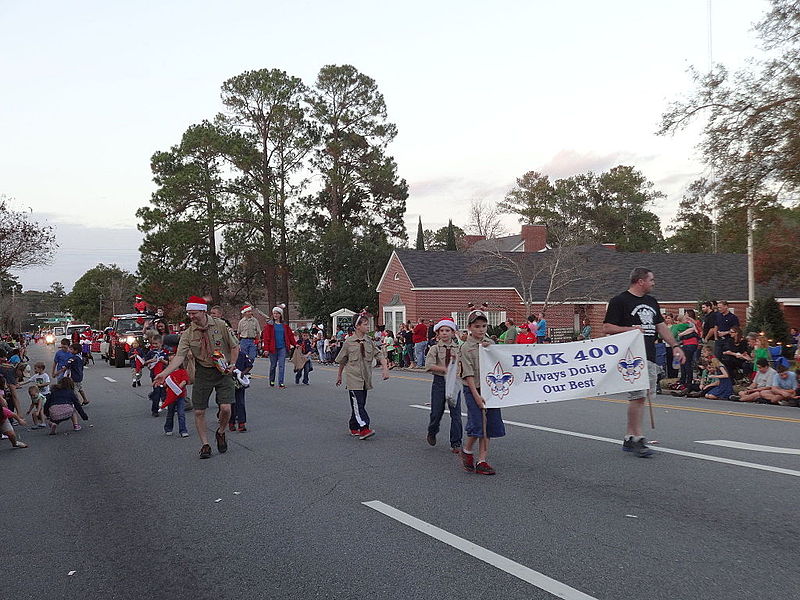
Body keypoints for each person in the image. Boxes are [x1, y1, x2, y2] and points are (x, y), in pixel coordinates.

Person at [602, 267, 685, 458]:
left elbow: (661, 326)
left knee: (643, 396)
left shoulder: (651, 302)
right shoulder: (619, 301)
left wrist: (675, 345)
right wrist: (629, 329)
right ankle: (639, 438)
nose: (653, 283)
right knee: (637, 396)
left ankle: (630, 437)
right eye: (651, 280)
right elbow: (607, 327)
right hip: (631, 358)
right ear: (640, 281)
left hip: (649, 354)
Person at [154, 296, 240, 459]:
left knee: (226, 409)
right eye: (189, 313)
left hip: (223, 370)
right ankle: (205, 445)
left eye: (193, 313)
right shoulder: (188, 333)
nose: (191, 316)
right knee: (199, 411)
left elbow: (235, 346)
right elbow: (180, 357)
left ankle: (221, 432)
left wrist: (233, 364)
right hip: (203, 372)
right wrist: (164, 373)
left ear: (203, 311)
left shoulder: (221, 325)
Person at [458, 309, 502, 475]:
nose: (481, 329)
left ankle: (482, 460)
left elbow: (500, 361)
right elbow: (468, 374)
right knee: (478, 424)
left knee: (489, 425)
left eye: (484, 326)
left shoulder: (490, 344)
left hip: (490, 389)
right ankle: (467, 450)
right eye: (477, 326)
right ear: (469, 327)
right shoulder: (465, 348)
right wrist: (476, 396)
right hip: (473, 389)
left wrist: (490, 348)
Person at [336, 315, 390, 440]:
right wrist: (339, 376)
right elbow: (342, 361)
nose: (368, 326)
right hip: (353, 378)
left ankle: (353, 426)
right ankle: (364, 428)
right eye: (365, 324)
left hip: (365, 378)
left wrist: (385, 369)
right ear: (357, 326)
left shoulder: (369, 341)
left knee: (360, 403)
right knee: (358, 403)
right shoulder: (349, 342)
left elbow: (380, 355)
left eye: (367, 324)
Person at [424, 318, 463, 453]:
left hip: (454, 383)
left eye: (448, 330)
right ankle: (432, 431)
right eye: (442, 331)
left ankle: (456, 442)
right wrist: (446, 370)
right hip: (439, 382)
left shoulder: (459, 349)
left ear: (453, 333)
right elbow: (428, 366)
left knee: (456, 415)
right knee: (436, 412)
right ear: (438, 333)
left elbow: (464, 363)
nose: (445, 333)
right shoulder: (434, 348)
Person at [261, 304, 296, 388]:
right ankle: (272, 380)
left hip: (282, 347)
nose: (275, 315)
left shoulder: (285, 325)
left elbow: (290, 335)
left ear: (280, 315)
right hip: (272, 348)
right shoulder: (269, 325)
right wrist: (266, 349)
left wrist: (295, 344)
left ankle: (281, 382)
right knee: (273, 365)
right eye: (274, 313)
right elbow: (266, 338)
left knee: (282, 365)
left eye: (277, 313)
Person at [58, 344, 90, 408]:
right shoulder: (80, 357)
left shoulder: (73, 358)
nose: (69, 350)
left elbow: (66, 366)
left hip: (74, 376)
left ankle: (77, 403)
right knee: (80, 388)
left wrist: (57, 373)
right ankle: (85, 399)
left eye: (71, 349)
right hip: (79, 375)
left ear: (76, 351)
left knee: (74, 391)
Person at [229, 350, 253, 432]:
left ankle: (241, 423)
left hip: (239, 382)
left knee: (240, 402)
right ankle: (231, 422)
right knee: (230, 403)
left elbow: (249, 365)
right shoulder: (226, 354)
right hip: (228, 381)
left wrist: (242, 373)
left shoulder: (242, 355)